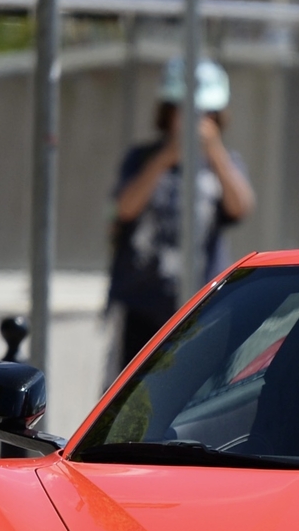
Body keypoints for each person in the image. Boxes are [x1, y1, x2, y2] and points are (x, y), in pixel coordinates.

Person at [108, 58, 257, 365]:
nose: (196, 122)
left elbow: (241, 206)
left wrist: (214, 152)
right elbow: (124, 208)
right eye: (186, 113)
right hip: (143, 304)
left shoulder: (223, 162)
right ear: (169, 112)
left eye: (205, 115)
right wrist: (166, 158)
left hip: (202, 305)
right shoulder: (143, 158)